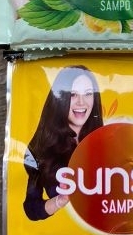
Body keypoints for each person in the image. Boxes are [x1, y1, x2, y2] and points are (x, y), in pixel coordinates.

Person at [23, 65, 104, 220]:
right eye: (73, 94)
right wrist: (59, 201)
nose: (81, 102)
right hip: (67, 231)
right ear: (60, 99)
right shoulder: (39, 149)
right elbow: (31, 208)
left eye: (88, 94)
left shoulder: (105, 141)